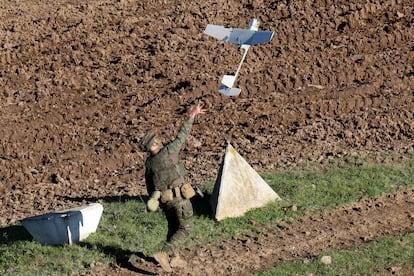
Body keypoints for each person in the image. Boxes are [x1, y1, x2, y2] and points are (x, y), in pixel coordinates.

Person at [138, 102, 206, 272]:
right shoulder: (169, 151)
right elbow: (182, 135)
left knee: (173, 228)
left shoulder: (149, 164)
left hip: (165, 202)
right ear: (155, 143)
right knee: (185, 229)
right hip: (180, 199)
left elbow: (150, 186)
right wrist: (192, 115)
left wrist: (157, 202)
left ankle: (174, 259)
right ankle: (164, 253)